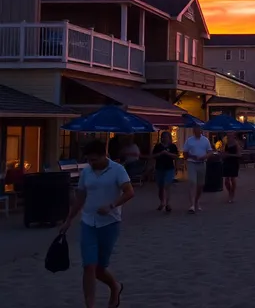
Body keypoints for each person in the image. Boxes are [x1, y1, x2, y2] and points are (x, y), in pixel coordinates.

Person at [59, 140, 134, 308]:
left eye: (94, 160)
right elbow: (80, 197)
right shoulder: (87, 173)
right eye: (89, 160)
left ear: (104, 155)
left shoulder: (117, 170)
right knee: (88, 266)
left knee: (99, 269)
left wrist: (111, 205)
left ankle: (115, 286)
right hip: (88, 223)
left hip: (110, 223)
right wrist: (69, 220)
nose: (91, 163)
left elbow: (129, 192)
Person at [183, 125, 213, 214]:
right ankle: (192, 205)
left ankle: (197, 200)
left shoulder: (205, 140)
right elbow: (185, 153)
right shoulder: (189, 140)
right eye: (196, 129)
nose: (198, 131)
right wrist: (193, 156)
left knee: (201, 184)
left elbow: (210, 151)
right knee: (193, 182)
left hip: (202, 163)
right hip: (192, 163)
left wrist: (205, 156)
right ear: (193, 131)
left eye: (199, 129)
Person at [151, 131, 177, 213]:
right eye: (163, 137)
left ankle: (167, 203)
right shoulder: (158, 146)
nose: (164, 138)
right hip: (159, 168)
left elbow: (176, 156)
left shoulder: (172, 146)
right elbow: (153, 156)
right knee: (161, 187)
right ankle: (162, 201)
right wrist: (160, 154)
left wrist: (167, 153)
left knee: (167, 185)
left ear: (169, 138)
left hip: (169, 168)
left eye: (166, 137)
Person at [222, 132, 241, 203]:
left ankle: (232, 194)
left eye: (230, 135)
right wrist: (223, 154)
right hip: (226, 162)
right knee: (226, 181)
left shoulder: (236, 144)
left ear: (233, 135)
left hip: (234, 162)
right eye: (228, 135)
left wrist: (229, 155)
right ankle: (229, 192)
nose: (228, 136)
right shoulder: (226, 143)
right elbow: (223, 153)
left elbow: (239, 155)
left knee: (232, 179)